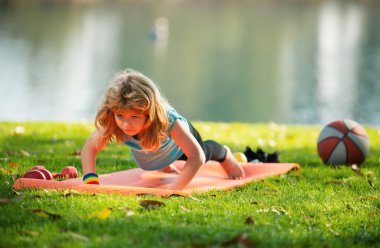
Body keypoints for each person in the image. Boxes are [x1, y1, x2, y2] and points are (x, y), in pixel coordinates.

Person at [81, 69, 245, 190]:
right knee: (149, 163)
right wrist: (90, 180)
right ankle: (166, 165)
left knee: (205, 151)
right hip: (152, 152)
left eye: (135, 117)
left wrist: (173, 188)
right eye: (121, 116)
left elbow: (197, 157)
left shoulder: (169, 121)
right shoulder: (112, 120)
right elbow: (90, 148)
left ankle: (225, 154)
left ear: (149, 114)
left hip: (177, 146)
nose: (126, 125)